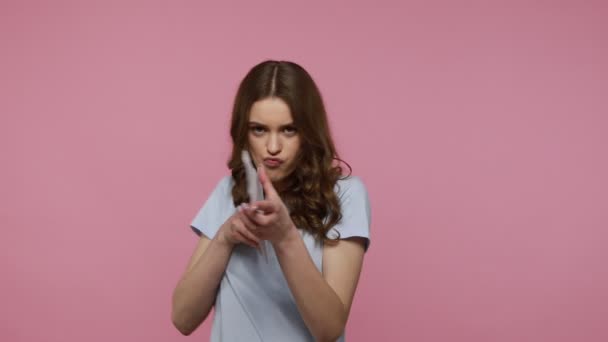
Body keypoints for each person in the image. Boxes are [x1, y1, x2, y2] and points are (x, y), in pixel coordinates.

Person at [171, 60, 371, 342]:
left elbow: (329, 329)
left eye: (289, 130)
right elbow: (183, 318)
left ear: (309, 132)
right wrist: (225, 238)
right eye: (259, 129)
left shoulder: (345, 195)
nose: (273, 147)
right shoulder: (229, 191)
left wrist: (286, 237)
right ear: (244, 131)